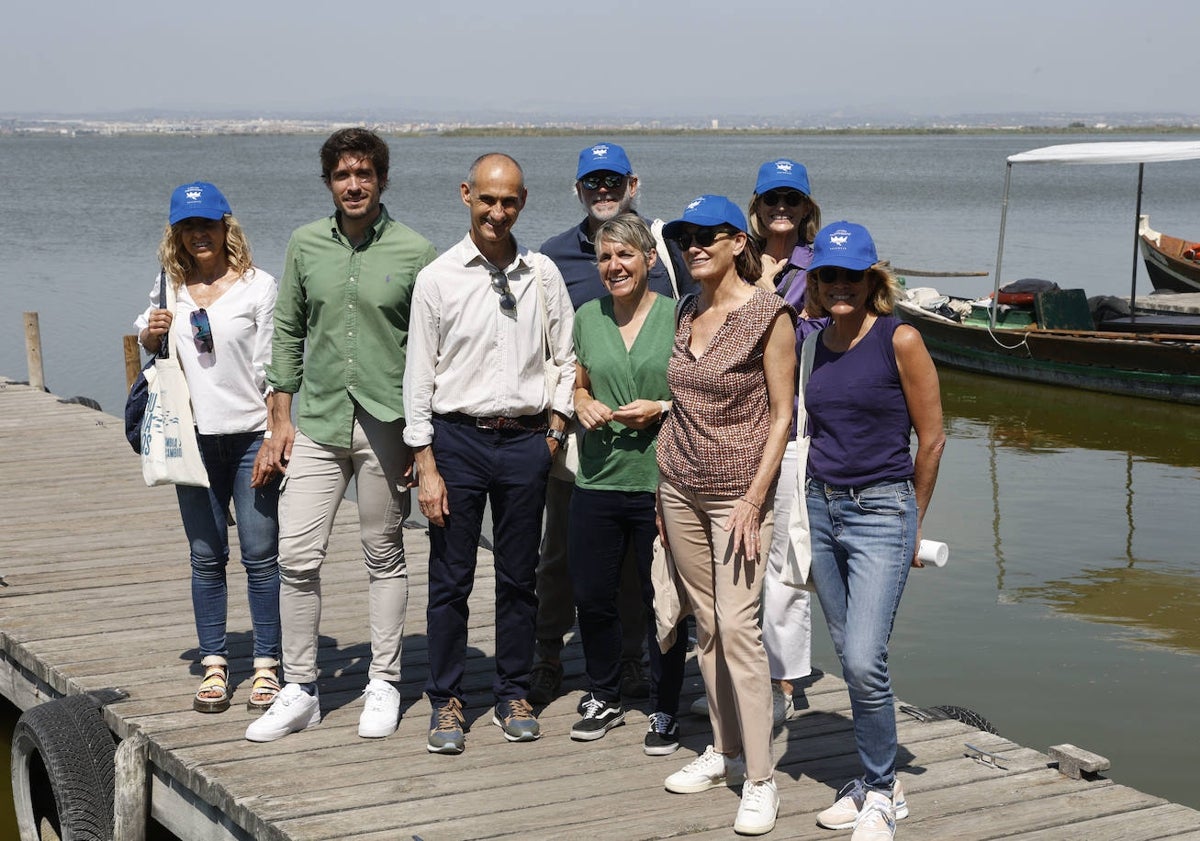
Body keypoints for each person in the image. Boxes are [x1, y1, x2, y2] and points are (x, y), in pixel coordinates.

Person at [245, 128, 438, 743]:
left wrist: (422, 439)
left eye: (364, 174)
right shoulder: (305, 244)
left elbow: (431, 349)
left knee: (384, 555)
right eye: (341, 175)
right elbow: (287, 332)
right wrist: (279, 420)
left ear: (382, 179)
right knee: (296, 557)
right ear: (329, 181)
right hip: (320, 423)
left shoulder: (416, 251)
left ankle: (383, 680)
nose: (353, 185)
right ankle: (301, 687)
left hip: (388, 426)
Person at [404, 153, 575, 755]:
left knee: (518, 577)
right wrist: (425, 464)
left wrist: (554, 431)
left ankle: (512, 691)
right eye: (487, 200)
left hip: (526, 441)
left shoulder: (543, 274)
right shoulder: (439, 277)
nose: (497, 213)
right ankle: (446, 699)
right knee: (450, 579)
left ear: (522, 202)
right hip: (457, 442)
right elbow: (418, 378)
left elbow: (564, 357)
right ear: (466, 196)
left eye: (509, 202)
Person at [531, 142, 695, 705]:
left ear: (633, 184)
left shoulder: (669, 249)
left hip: (657, 450)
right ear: (578, 190)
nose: (603, 190)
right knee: (560, 556)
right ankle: (548, 654)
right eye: (591, 183)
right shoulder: (552, 256)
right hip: (579, 441)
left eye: (612, 181)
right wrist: (570, 402)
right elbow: (554, 349)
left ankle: (634, 662)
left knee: (642, 566)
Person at [656, 195, 796, 836]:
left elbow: (782, 415)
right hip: (678, 485)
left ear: (739, 242)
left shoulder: (771, 315)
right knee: (706, 625)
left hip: (738, 495)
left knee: (740, 630)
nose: (695, 246)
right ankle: (724, 748)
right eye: (686, 237)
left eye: (709, 236)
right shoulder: (686, 310)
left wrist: (753, 498)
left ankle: (761, 781)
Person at [802, 222, 945, 841]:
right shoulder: (816, 343)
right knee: (849, 654)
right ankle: (872, 780)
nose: (840, 286)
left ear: (872, 281)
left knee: (864, 658)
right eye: (829, 275)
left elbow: (932, 437)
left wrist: (912, 519)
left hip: (883, 510)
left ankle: (883, 791)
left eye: (851, 276)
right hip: (819, 508)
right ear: (816, 281)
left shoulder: (901, 338)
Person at [135, 181, 281, 714]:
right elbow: (149, 338)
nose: (200, 234)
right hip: (189, 440)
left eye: (208, 224)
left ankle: (267, 666)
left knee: (262, 556)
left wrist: (274, 435)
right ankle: (216, 664)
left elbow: (276, 368)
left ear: (226, 227)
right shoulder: (169, 285)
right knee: (205, 556)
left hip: (250, 438)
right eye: (188, 227)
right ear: (177, 235)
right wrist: (152, 334)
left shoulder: (260, 287)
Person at [566, 213, 689, 755]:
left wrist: (661, 407)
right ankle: (604, 693)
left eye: (625, 256)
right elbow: (578, 382)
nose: (614, 267)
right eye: (605, 257)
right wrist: (581, 401)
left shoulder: (678, 316)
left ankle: (664, 707)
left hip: (660, 481)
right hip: (596, 478)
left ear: (650, 261)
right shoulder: (586, 316)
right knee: (593, 597)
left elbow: (696, 392)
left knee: (662, 596)